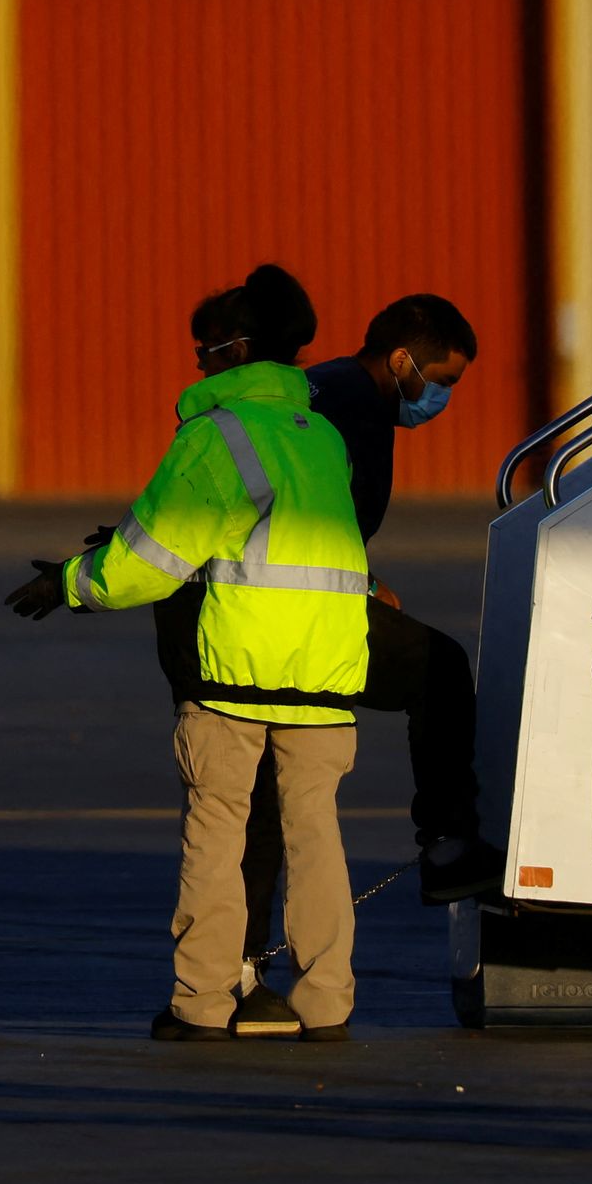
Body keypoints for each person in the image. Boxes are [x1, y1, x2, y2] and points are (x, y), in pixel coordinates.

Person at [16, 263, 375, 1043]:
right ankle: (326, 1002)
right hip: (328, 671)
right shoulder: (323, 437)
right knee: (317, 835)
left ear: (234, 351)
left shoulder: (218, 436)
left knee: (218, 831)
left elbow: (153, 558)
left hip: (235, 670)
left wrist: (73, 583)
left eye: (203, 351)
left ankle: (204, 1004)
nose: (197, 365)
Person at [144, 289, 490, 1033]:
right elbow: (254, 509)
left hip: (284, 615)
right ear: (402, 361)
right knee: (266, 802)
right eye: (442, 379)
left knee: (269, 804)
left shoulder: (347, 400)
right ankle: (443, 842)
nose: (442, 397)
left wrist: (360, 576)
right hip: (253, 624)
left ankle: (241, 977)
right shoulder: (332, 407)